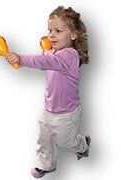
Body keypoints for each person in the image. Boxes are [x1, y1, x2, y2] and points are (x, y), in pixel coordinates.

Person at [5, 6, 91, 178]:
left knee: (66, 142)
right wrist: (47, 51)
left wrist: (22, 59)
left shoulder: (70, 55)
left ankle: (82, 144)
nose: (51, 35)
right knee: (44, 139)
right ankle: (46, 164)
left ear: (73, 35)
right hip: (48, 107)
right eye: (50, 30)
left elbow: (46, 62)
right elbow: (48, 61)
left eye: (58, 31)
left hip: (66, 112)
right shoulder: (54, 53)